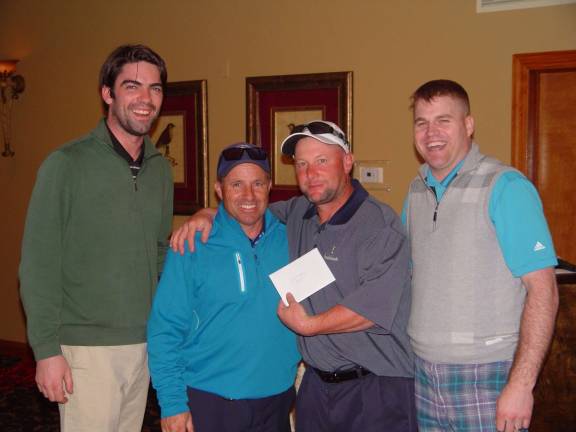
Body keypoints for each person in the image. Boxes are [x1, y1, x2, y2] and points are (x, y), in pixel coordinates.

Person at [171, 121, 417, 432]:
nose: (310, 173)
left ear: (347, 161)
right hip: (316, 388)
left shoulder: (379, 224)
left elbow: (374, 308)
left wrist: (309, 325)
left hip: (374, 388)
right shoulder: (299, 213)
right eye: (302, 164)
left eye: (321, 161)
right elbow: (248, 209)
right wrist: (206, 213)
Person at [19, 44, 173, 431]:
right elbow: (38, 264)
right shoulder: (66, 165)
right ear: (108, 93)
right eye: (132, 86)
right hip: (83, 351)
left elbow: (158, 255)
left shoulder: (160, 170)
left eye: (154, 89)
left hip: (142, 346)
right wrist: (46, 350)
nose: (145, 99)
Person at [403, 79, 559, 432]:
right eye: (421, 122)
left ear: (468, 125)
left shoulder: (506, 187)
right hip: (424, 374)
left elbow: (544, 291)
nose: (431, 133)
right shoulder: (415, 191)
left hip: (488, 374)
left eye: (444, 120)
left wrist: (521, 385)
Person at [147, 143, 300, 432]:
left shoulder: (292, 239)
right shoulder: (191, 244)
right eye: (236, 184)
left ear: (269, 186)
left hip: (277, 400)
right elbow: (165, 329)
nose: (248, 195)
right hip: (211, 401)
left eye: (257, 183)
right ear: (219, 189)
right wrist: (172, 403)